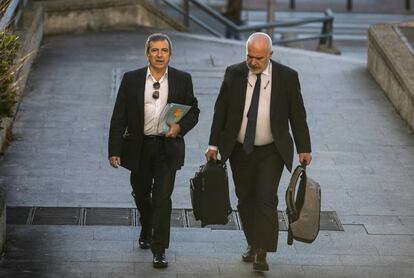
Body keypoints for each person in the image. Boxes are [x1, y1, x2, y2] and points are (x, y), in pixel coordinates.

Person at [205, 32, 312, 272]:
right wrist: (213, 144)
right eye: (249, 56)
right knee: (245, 198)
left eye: (259, 58)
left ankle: (262, 252)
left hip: (272, 150)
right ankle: (253, 242)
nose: (253, 62)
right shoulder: (234, 73)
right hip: (239, 149)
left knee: (265, 197)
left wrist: (304, 147)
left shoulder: (287, 77)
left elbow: (297, 114)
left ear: (270, 55)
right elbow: (220, 111)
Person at [108, 33, 199, 268]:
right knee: (140, 193)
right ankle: (147, 224)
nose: (160, 55)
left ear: (170, 54)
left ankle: (159, 250)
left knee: (162, 199)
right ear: (147, 53)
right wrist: (114, 149)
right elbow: (119, 117)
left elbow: (194, 111)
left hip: (167, 148)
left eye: (164, 50)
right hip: (139, 147)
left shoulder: (182, 79)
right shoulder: (132, 79)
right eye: (155, 50)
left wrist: (179, 127)